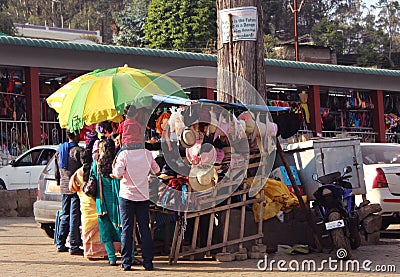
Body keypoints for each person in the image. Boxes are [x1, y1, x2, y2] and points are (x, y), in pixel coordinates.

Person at [112, 120, 160, 271]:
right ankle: (148, 263)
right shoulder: (147, 153)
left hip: (126, 196)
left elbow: (118, 173)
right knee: (144, 229)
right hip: (143, 197)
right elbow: (157, 170)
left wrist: (116, 169)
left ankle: (126, 263)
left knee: (127, 229)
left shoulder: (124, 155)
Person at [69, 149, 108, 259]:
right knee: (99, 228)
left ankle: (89, 252)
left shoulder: (77, 173)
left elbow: (71, 188)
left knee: (87, 228)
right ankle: (102, 252)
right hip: (96, 203)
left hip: (85, 206)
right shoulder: (95, 170)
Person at [91, 138, 124, 266]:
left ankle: (112, 258)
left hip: (102, 202)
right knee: (122, 229)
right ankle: (129, 255)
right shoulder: (117, 162)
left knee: (105, 230)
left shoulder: (96, 164)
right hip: (117, 201)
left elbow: (91, 177)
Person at [54, 130, 84, 255]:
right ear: (76, 135)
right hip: (75, 187)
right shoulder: (78, 151)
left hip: (64, 187)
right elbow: (85, 169)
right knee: (74, 216)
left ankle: (60, 243)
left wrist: (58, 182)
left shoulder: (60, 151)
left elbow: (56, 172)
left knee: (65, 215)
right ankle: (74, 245)